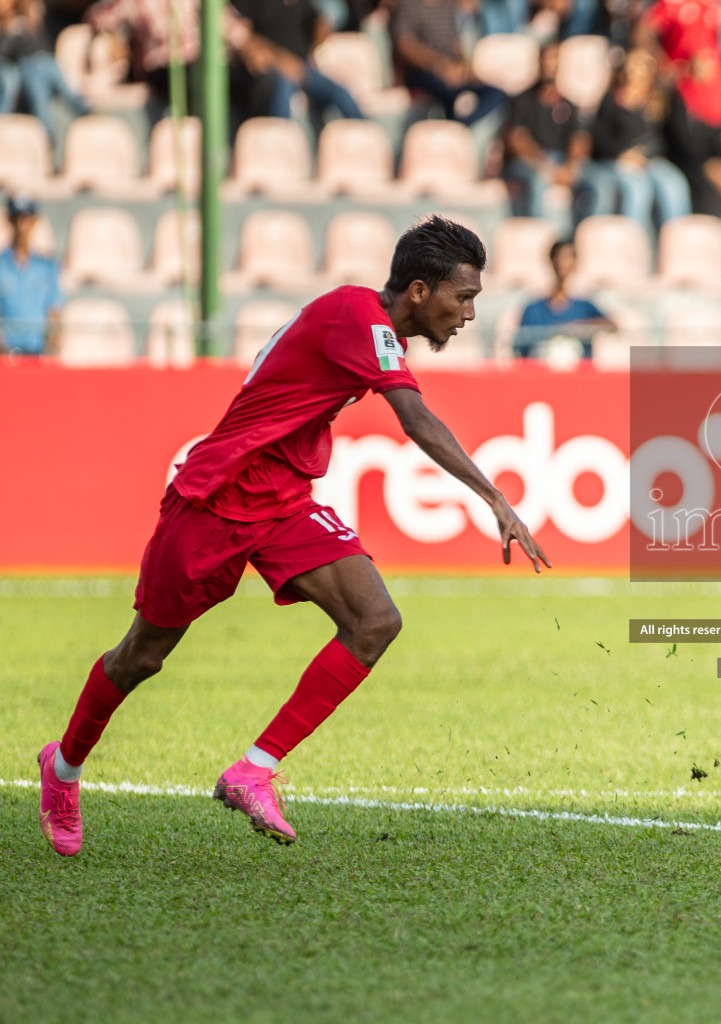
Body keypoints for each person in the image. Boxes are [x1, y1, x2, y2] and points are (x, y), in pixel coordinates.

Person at [35, 216, 551, 858]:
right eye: (464, 297)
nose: (470, 313)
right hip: (217, 497)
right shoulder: (357, 317)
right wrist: (495, 496)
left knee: (375, 621)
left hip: (282, 501)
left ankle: (253, 769)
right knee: (141, 656)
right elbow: (414, 418)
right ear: (419, 290)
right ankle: (63, 768)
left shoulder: (369, 324)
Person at [84, 0, 258, 121]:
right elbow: (97, 17)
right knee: (195, 76)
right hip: (163, 68)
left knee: (256, 82)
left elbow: (237, 32)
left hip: (202, 65)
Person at [588, 48, 692, 233]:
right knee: (637, 189)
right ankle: (632, 244)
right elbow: (599, 136)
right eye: (634, 64)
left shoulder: (658, 100)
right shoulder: (612, 98)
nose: (637, 70)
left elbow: (666, 137)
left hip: (650, 160)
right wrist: (621, 154)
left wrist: (646, 156)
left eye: (643, 65)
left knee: (674, 184)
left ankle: (676, 243)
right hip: (616, 160)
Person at [499, 41, 601, 222]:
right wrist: (548, 167)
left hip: (561, 161)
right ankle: (538, 236)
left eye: (555, 60)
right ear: (539, 62)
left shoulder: (567, 103)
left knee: (598, 182)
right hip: (530, 163)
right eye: (547, 59)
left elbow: (580, 139)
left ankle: (582, 236)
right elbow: (517, 140)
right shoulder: (522, 100)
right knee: (538, 180)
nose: (550, 65)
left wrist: (569, 167)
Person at [231, 0, 364, 128]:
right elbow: (244, 37)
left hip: (303, 66)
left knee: (342, 94)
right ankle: (279, 144)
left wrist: (318, 48)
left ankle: (366, 140)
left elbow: (319, 20)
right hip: (272, 68)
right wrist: (282, 61)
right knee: (282, 91)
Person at [391, 0, 506, 126]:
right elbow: (404, 45)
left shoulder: (447, 5)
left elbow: (454, 42)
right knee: (452, 96)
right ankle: (456, 124)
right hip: (422, 71)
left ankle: (461, 124)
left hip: (449, 69)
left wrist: (463, 65)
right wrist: (439, 66)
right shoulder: (408, 4)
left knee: (495, 93)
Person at [662, 46, 721, 218]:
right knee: (708, 194)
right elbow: (682, 140)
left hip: (717, 160)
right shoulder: (679, 98)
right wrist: (708, 165)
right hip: (688, 161)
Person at [513, 238, 614, 358]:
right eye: (559, 257)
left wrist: (577, 328)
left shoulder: (585, 306)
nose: (562, 263)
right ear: (551, 261)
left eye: (568, 257)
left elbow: (612, 325)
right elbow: (521, 347)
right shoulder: (533, 309)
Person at [0, 0, 89, 133]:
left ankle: (88, 113)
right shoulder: (17, 27)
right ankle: (46, 136)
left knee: (68, 92)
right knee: (40, 103)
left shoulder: (37, 27)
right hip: (32, 66)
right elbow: (6, 52)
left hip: (48, 61)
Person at [0, 194, 63, 357]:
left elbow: (54, 311)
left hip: (37, 354)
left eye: (25, 218)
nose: (21, 225)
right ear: (9, 221)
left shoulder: (46, 267)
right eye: (16, 218)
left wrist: (52, 343)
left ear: (34, 221)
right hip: (6, 356)